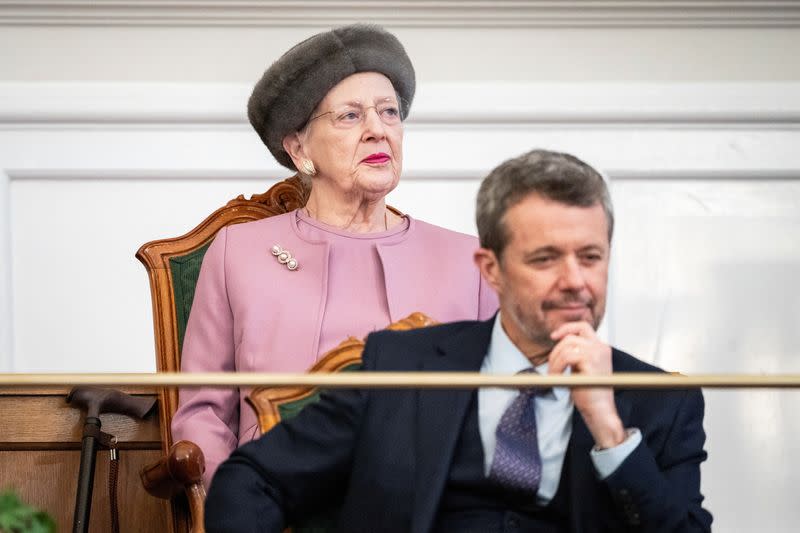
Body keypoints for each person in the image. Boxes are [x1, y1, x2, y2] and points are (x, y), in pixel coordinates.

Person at [205, 149, 713, 532]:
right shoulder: (400, 368)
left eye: (590, 256)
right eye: (545, 258)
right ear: (491, 269)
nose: (574, 280)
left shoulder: (662, 401)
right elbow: (255, 478)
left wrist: (611, 433)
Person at [173, 24, 498, 487]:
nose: (377, 131)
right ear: (299, 148)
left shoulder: (468, 261)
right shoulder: (237, 254)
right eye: (350, 116)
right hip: (276, 499)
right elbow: (203, 413)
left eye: (389, 112)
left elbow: (507, 407)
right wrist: (238, 503)